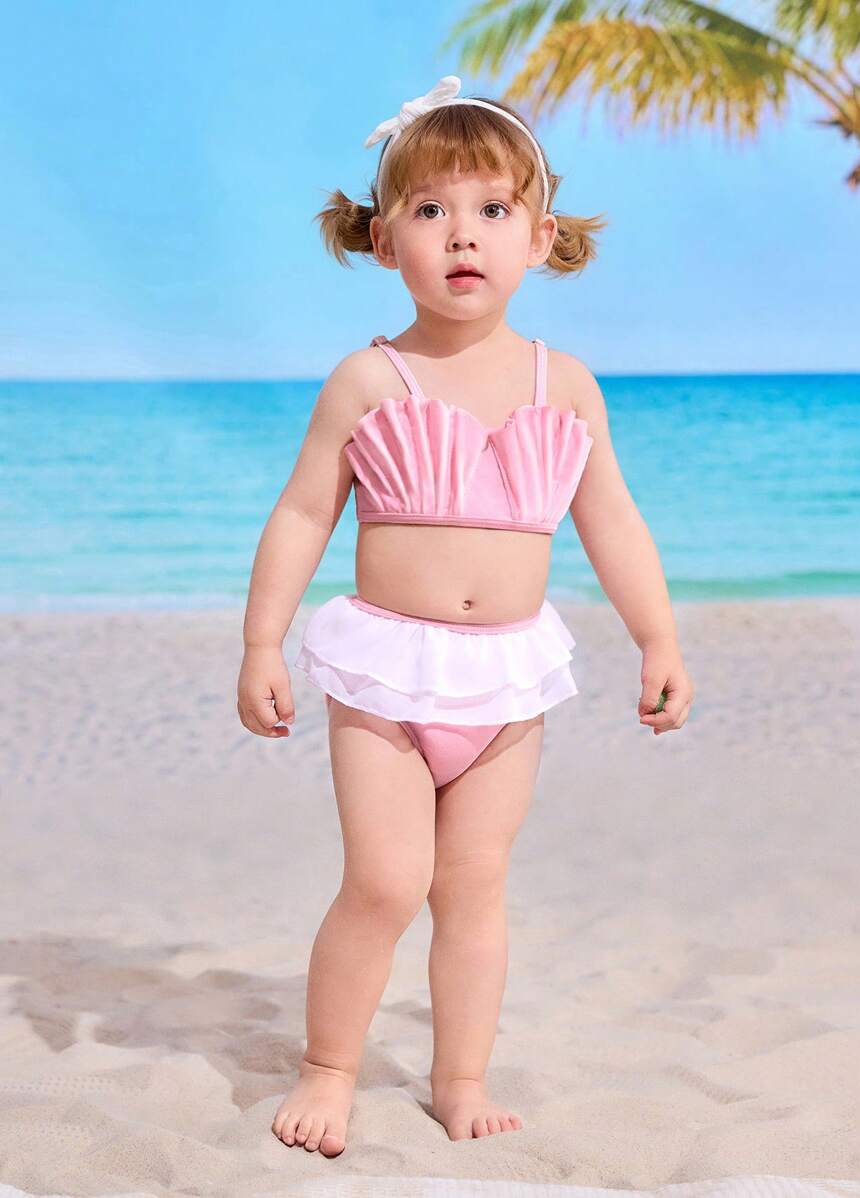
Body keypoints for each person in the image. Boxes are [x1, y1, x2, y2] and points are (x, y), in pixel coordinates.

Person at [237, 74, 695, 1157]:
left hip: (507, 681)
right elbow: (302, 513)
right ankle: (330, 1068)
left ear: (540, 238)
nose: (462, 234)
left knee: (476, 885)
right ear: (383, 237)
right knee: (386, 881)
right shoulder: (369, 378)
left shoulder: (563, 384)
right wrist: (262, 642)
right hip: (387, 678)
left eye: (492, 209)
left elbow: (613, 520)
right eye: (430, 209)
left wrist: (659, 637)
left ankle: (460, 1078)